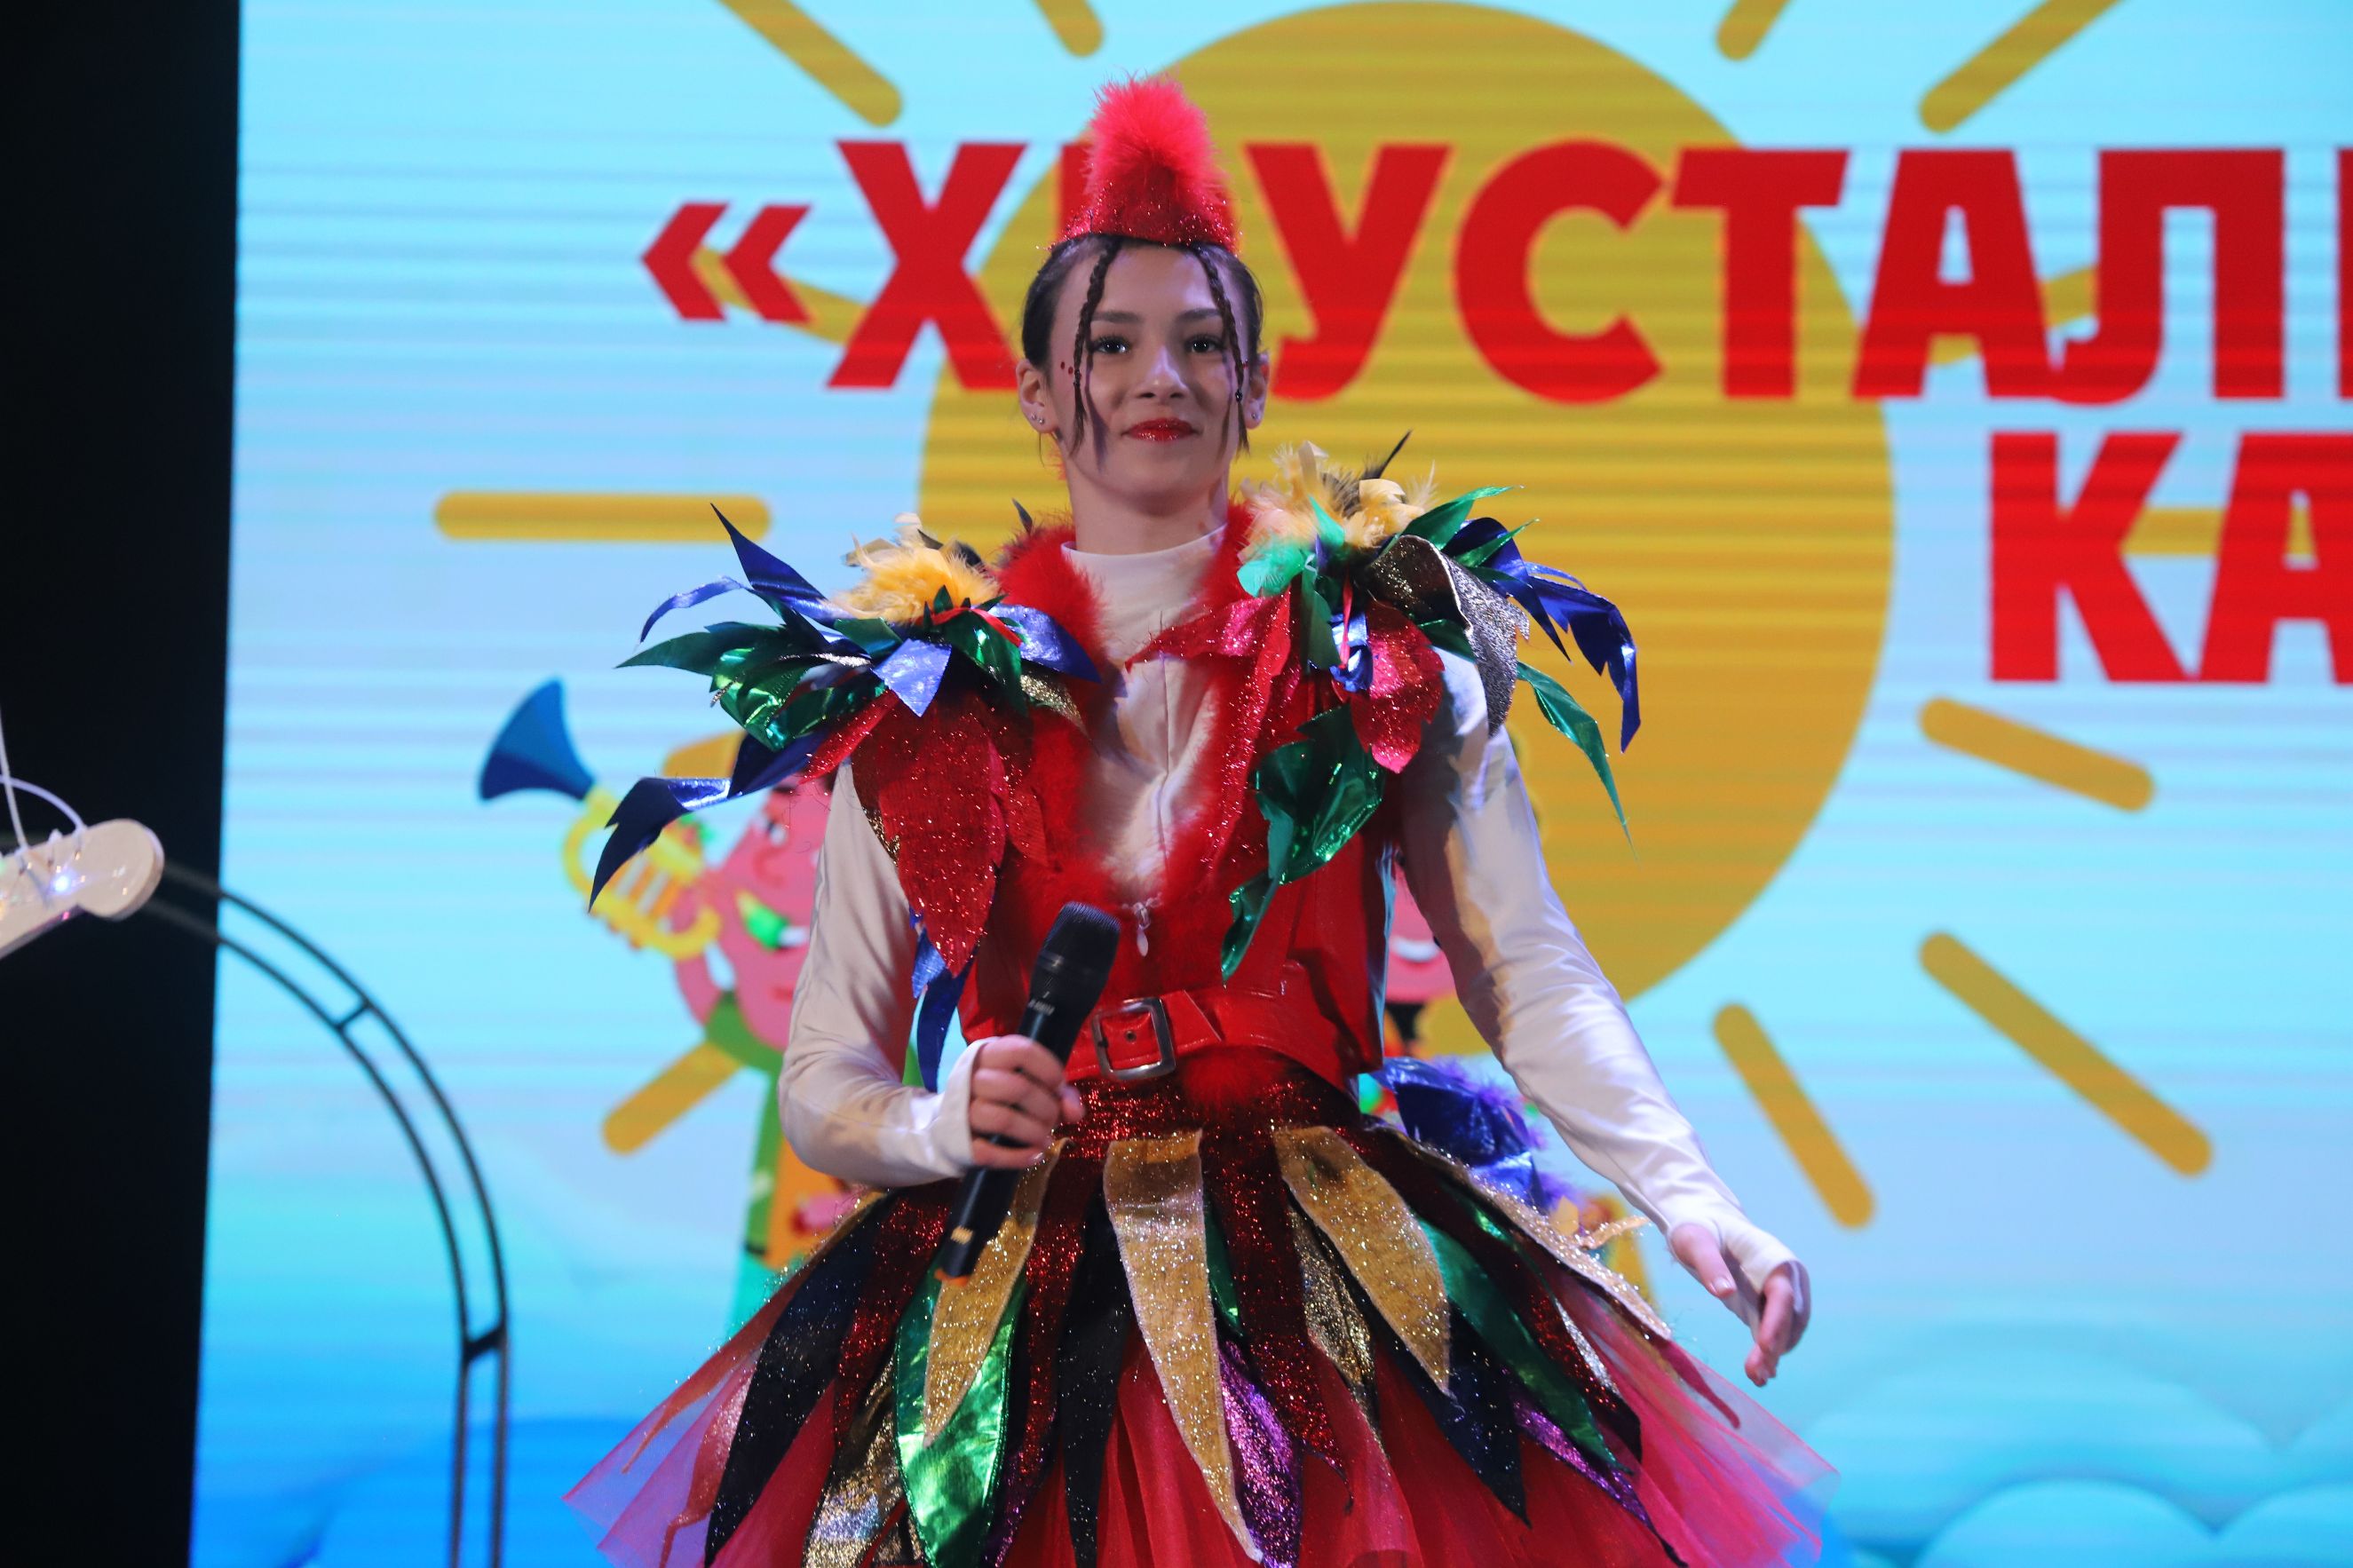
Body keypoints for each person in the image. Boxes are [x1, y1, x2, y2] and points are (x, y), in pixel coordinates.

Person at [572, 77, 1828, 1568]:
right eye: (1109, 343)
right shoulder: (919, 703)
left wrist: (1689, 1197)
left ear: (1256, 380)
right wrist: (934, 1121)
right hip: (1014, 1320)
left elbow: (1528, 967)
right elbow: (822, 1082)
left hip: (1325, 1296)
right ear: (1037, 390)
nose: (1155, 375)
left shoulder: (1379, 658)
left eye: (1198, 342)